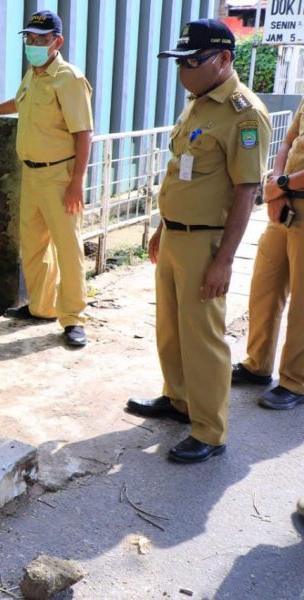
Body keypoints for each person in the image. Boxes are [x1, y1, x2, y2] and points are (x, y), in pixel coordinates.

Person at [125, 19, 271, 463]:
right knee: (170, 326)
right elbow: (180, 172)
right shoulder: (199, 103)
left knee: (203, 337)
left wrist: (225, 261)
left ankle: (210, 429)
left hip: (208, 242)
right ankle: (179, 399)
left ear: (224, 59)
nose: (184, 69)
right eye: (181, 61)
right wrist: (161, 226)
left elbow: (246, 192)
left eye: (193, 61)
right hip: (175, 235)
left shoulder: (245, 114)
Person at [0, 10, 93, 348]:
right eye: (29, 38)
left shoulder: (69, 79)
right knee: (33, 245)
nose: (32, 44)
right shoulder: (34, 74)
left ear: (56, 42)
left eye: (39, 39)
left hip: (60, 176)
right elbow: (18, 103)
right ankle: (42, 307)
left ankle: (73, 317)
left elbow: (84, 133)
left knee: (67, 247)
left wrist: (77, 182)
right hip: (31, 173)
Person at [230, 97, 304, 411]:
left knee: (302, 303)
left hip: (294, 197)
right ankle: (257, 364)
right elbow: (288, 142)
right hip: (284, 206)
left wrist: (282, 185)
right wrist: (275, 184)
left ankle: (296, 381)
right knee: (264, 288)